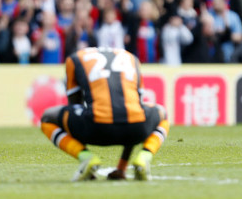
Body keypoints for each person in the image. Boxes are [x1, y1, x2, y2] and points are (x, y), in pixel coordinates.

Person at [40, 47, 169, 181]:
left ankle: (86, 158)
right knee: (162, 113)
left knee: (48, 117)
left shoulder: (75, 58)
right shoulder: (132, 58)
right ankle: (144, 157)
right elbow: (135, 109)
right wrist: (122, 167)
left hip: (95, 129)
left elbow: (74, 105)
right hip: (135, 130)